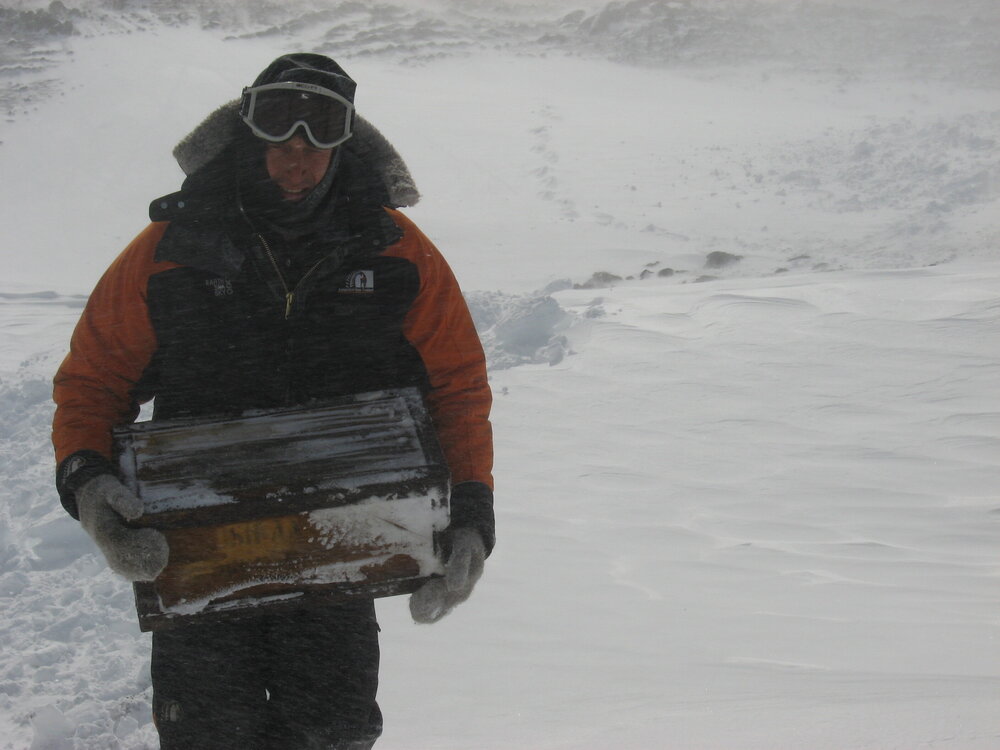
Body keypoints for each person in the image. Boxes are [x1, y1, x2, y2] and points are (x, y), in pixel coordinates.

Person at [51, 53, 494, 750]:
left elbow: (458, 387)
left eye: (320, 134)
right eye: (278, 128)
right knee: (208, 734)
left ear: (346, 141)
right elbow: (93, 380)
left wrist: (469, 514)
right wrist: (88, 479)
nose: (298, 153)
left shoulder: (398, 256)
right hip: (199, 550)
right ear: (246, 128)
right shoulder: (172, 251)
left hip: (340, 546)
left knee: (331, 731)